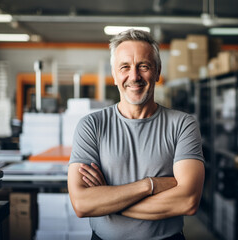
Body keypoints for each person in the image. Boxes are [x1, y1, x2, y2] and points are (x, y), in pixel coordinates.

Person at [68, 29, 205, 240]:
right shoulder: (91, 126)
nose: (134, 76)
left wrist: (108, 201)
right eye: (125, 67)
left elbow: (187, 201)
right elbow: (82, 204)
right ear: (114, 75)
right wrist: (151, 185)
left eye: (144, 66)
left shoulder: (183, 125)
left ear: (157, 72)